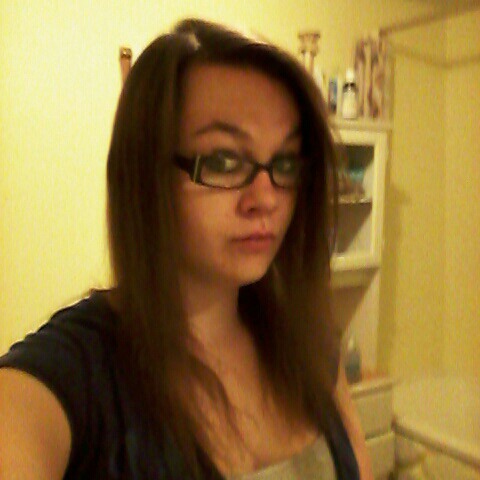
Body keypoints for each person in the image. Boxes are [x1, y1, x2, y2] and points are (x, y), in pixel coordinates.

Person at [0, 19, 373, 480]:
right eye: (222, 160)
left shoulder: (307, 339)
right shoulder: (76, 373)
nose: (267, 198)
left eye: (285, 162)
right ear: (147, 174)